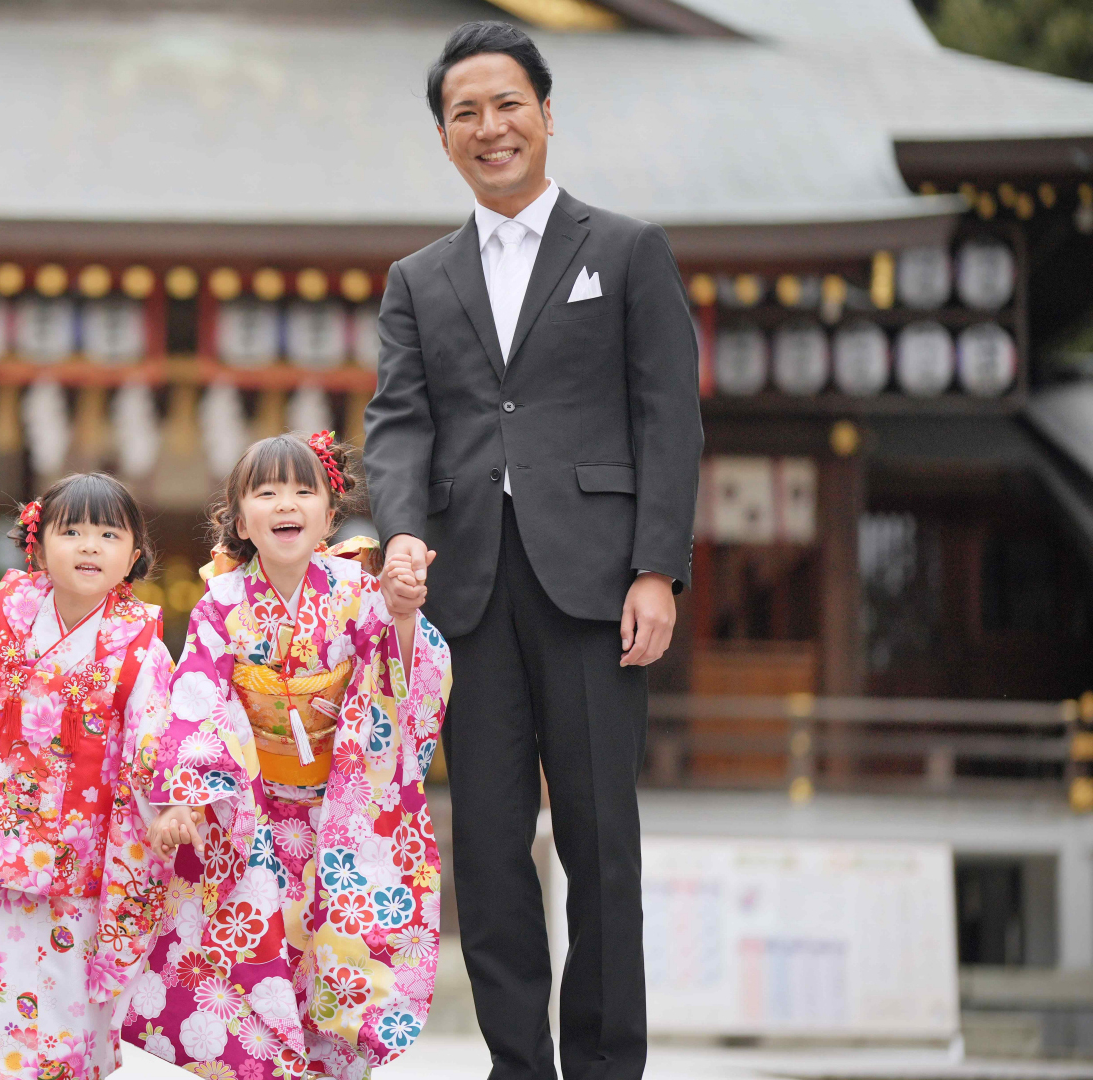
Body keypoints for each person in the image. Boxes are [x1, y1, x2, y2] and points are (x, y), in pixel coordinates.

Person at [362, 22, 704, 1080]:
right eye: (466, 112)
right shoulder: (418, 279)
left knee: (601, 841)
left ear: (546, 115)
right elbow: (400, 423)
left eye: (508, 104)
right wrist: (402, 532)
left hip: (598, 583)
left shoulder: (627, 249)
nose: (490, 127)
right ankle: (520, 1063)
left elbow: (668, 415)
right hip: (467, 594)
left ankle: (607, 1066)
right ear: (443, 136)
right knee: (491, 845)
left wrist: (657, 566)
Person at [125, 433, 454, 1080]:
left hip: (338, 820)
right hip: (252, 826)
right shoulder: (221, 603)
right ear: (240, 517)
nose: (287, 503)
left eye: (306, 491)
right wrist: (186, 796)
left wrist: (403, 614)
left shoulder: (358, 590)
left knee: (332, 976)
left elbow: (401, 672)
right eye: (267, 491)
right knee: (255, 980)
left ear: (331, 515)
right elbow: (198, 696)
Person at [0, 473, 176, 1080]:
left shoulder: (143, 643)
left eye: (108, 533)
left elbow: (155, 741)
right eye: (71, 532)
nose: (90, 545)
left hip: (84, 859)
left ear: (135, 553)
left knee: (70, 1004)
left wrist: (172, 804)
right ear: (39, 546)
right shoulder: (2, 612)